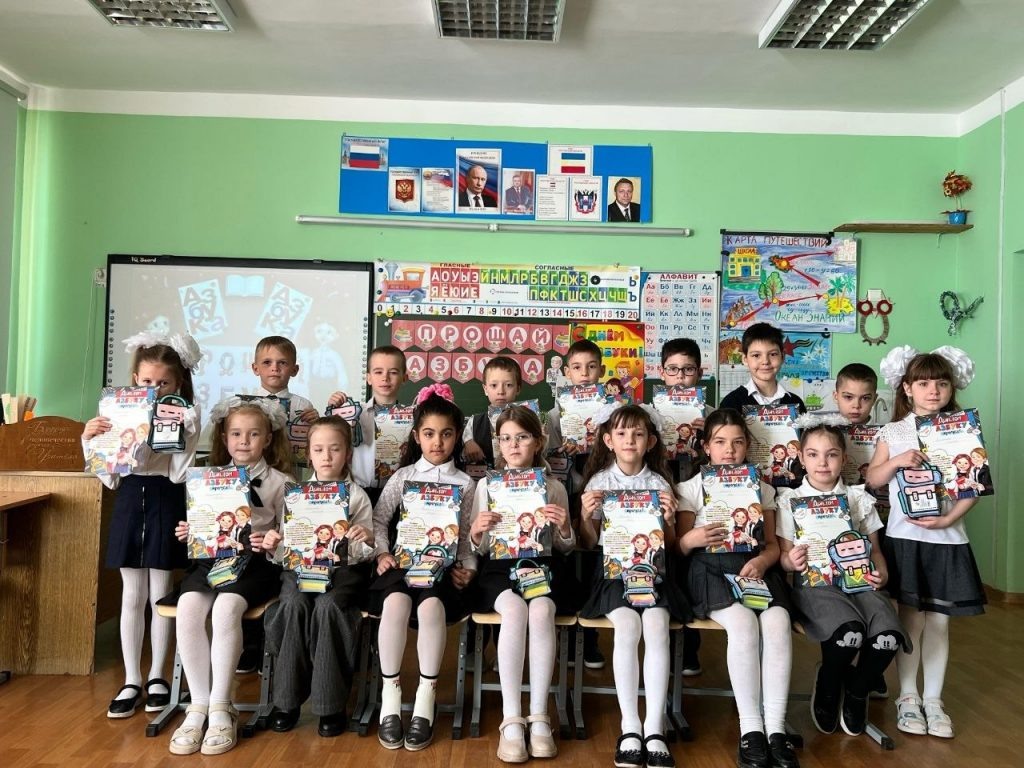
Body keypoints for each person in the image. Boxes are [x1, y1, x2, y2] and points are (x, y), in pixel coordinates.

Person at [866, 345, 985, 740]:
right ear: (907, 388)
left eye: (941, 383)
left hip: (948, 539)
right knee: (911, 620)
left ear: (952, 387)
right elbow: (873, 479)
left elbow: (974, 483)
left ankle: (934, 700)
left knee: (939, 622)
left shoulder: (963, 429)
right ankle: (908, 697)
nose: (933, 390)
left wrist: (949, 518)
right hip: (905, 539)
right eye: (923, 383)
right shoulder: (895, 432)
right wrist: (898, 461)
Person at [82, 330, 201, 719]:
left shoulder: (184, 414)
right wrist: (89, 440)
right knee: (131, 595)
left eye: (163, 383)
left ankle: (157, 677)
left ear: (178, 384)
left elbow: (179, 474)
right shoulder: (118, 414)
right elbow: (110, 479)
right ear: (135, 379)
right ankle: (131, 678)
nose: (154, 389)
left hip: (167, 498)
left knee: (160, 594)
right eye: (147, 381)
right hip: (131, 498)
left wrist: (188, 432)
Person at [169, 398, 295, 755]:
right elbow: (203, 523)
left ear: (267, 439)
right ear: (224, 438)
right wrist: (189, 531)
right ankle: (198, 706)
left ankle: (222, 707)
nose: (244, 441)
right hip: (211, 561)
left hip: (256, 565)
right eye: (236, 434)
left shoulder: (281, 482)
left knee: (225, 610)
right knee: (188, 608)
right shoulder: (206, 478)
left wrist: (272, 541)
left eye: (253, 434)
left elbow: (293, 538)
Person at [675, 408, 798, 768]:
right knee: (743, 624)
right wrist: (692, 539)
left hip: (754, 569)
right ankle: (751, 728)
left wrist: (763, 562)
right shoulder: (691, 488)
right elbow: (678, 548)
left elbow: (772, 546)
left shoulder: (762, 488)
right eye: (720, 442)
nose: (729, 450)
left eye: (738, 442)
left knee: (777, 622)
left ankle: (776, 729)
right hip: (708, 570)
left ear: (748, 446)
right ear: (706, 447)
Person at [775, 421, 906, 737]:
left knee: (888, 635)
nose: (823, 462)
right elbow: (784, 556)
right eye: (813, 454)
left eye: (831, 454)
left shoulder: (857, 498)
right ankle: (830, 681)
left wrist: (882, 572)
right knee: (850, 632)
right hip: (817, 586)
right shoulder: (789, 500)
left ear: (844, 458)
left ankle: (858, 690)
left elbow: (875, 550)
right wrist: (790, 561)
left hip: (860, 583)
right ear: (801, 458)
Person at [370, 384, 478, 751]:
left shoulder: (466, 484)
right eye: (429, 434)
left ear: (457, 436)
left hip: (442, 569)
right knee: (395, 603)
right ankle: (390, 695)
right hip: (402, 565)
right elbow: (379, 520)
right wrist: (382, 554)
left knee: (432, 607)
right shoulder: (402, 477)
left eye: (446, 434)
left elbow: (467, 536)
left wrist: (468, 567)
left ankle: (425, 698)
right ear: (417, 436)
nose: (437, 442)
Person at [578, 404, 684, 768]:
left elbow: (670, 544)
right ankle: (630, 726)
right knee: (626, 626)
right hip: (612, 575)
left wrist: (669, 520)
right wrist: (584, 515)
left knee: (656, 624)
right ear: (608, 440)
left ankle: (654, 727)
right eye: (621, 433)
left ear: (650, 442)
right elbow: (588, 541)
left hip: (653, 574)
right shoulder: (599, 483)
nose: (629, 440)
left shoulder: (659, 484)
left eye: (638, 434)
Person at [469, 406, 577, 762]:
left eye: (522, 437)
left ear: (538, 442)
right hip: (500, 568)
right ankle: (511, 719)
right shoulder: (487, 485)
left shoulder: (553, 487)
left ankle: (540, 716)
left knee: (542, 610)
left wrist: (564, 527)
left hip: (543, 566)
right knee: (514, 611)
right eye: (506, 439)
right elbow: (479, 547)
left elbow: (565, 546)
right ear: (498, 444)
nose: (513, 445)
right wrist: (477, 531)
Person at [264, 416, 374, 738]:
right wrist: (273, 544)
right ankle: (286, 701)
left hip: (342, 572)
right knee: (292, 605)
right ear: (308, 454)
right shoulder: (295, 494)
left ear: (347, 454)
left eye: (335, 449)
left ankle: (330, 704)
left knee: (328, 607)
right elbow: (286, 547)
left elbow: (366, 552)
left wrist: (362, 539)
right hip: (299, 570)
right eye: (319, 449)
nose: (327, 457)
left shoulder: (356, 496)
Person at [545, 338, 607, 669]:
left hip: (600, 498)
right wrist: (562, 452)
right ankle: (566, 639)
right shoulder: (555, 415)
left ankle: (590, 639)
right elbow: (545, 459)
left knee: (594, 560)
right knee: (567, 565)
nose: (584, 374)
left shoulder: (612, 412)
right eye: (577, 368)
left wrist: (599, 446)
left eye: (591, 367)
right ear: (567, 373)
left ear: (601, 371)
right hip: (567, 495)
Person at [656, 337, 707, 675]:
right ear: (662, 373)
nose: (680, 378)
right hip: (660, 497)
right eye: (673, 370)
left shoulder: (711, 416)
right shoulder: (651, 413)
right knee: (666, 566)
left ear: (699, 373)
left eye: (687, 370)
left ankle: (689, 648)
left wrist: (705, 440)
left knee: (690, 566)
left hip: (697, 502)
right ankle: (665, 644)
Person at [329, 345, 408, 505]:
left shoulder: (412, 417)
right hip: (358, 491)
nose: (385, 378)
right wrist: (334, 410)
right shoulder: (353, 413)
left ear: (404, 377)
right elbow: (333, 440)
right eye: (378, 372)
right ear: (369, 378)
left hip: (398, 494)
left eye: (393, 372)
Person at [718, 323, 806, 413]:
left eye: (773, 354)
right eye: (756, 355)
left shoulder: (796, 402)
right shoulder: (730, 403)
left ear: (782, 357)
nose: (765, 361)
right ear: (745, 359)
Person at [463, 356, 524, 467]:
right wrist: (468, 443)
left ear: (518, 389)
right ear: (485, 389)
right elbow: (463, 450)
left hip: (519, 475)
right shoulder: (475, 422)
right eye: (494, 385)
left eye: (508, 385)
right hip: (484, 476)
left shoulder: (527, 420)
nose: (501, 391)